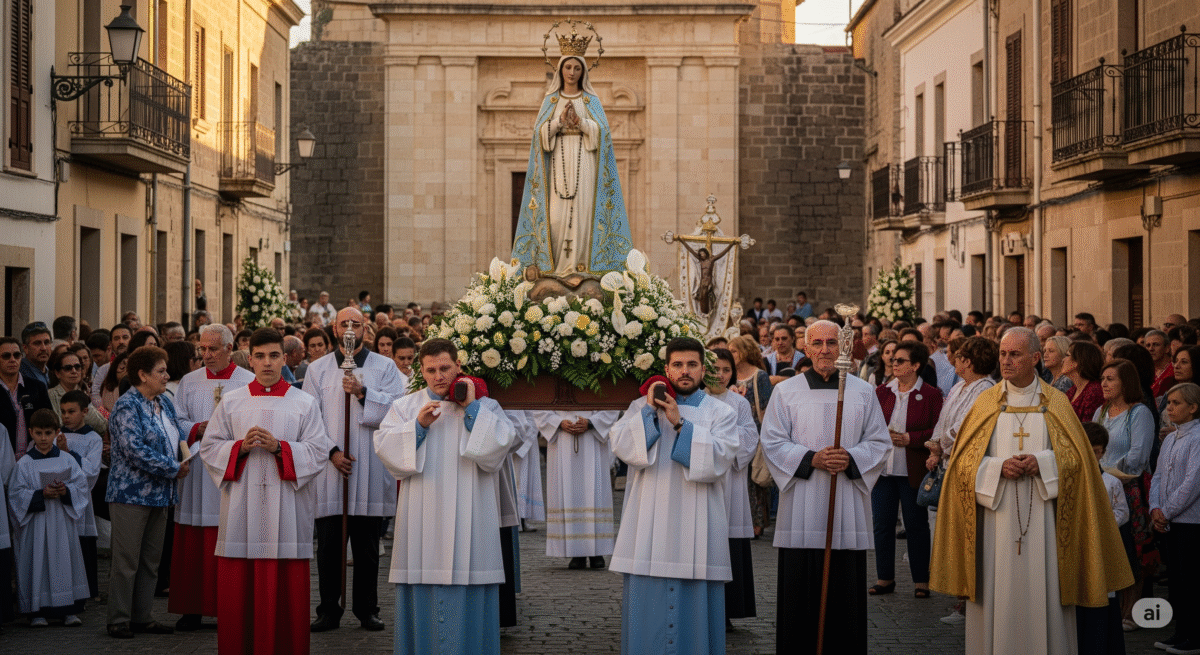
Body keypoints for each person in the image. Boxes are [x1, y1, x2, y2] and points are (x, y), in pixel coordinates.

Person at [930, 328, 1133, 655]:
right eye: (1002, 354)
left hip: (1046, 523)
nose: (1006, 361)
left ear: (1036, 358)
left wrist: (1043, 464)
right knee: (998, 594)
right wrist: (996, 468)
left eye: (1015, 354)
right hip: (996, 521)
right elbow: (964, 465)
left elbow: (1078, 462)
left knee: (1045, 595)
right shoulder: (986, 402)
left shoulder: (1056, 402)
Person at [373, 338, 515, 655]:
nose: (439, 376)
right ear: (420, 371)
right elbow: (384, 447)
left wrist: (473, 410)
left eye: (445, 368)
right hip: (423, 524)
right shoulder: (406, 407)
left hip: (472, 520)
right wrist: (418, 427)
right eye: (431, 369)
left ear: (458, 366)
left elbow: (500, 447)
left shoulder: (486, 406)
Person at [758, 320, 890, 654]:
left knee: (844, 595)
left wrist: (850, 458)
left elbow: (878, 441)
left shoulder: (862, 392)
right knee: (799, 594)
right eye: (817, 343)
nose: (824, 350)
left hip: (845, 505)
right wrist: (810, 459)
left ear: (844, 347)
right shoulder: (786, 391)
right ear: (805, 347)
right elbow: (771, 441)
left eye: (832, 342)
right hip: (801, 506)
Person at [199, 328, 332, 655]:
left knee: (284, 595)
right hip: (241, 509)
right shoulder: (232, 401)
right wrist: (239, 449)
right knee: (238, 594)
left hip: (287, 512)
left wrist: (280, 448)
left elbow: (318, 451)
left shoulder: (304, 402)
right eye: (259, 356)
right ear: (249, 357)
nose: (267, 362)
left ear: (285, 359)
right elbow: (209, 447)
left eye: (274, 355)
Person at [608, 337, 738, 655]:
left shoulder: (720, 411)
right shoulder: (642, 407)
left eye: (692, 364)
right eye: (677, 364)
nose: (684, 371)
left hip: (699, 530)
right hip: (648, 528)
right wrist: (651, 414)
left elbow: (720, 460)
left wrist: (680, 424)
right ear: (666, 368)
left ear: (702, 368)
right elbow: (622, 446)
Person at [305, 308, 405, 632]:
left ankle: (367, 609)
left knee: (367, 549)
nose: (350, 328)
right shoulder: (317, 369)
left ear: (367, 330)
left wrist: (363, 393)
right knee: (330, 547)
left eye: (356, 324)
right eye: (343, 323)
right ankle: (328, 610)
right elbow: (309, 417)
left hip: (370, 467)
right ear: (333, 328)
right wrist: (331, 452)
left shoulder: (385, 367)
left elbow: (397, 410)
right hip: (331, 469)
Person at [511, 40, 632, 276]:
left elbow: (602, 134)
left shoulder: (590, 101)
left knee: (585, 213)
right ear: (560, 70)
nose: (572, 73)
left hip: (584, 163)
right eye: (568, 68)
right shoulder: (551, 101)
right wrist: (557, 123)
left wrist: (581, 123)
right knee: (555, 218)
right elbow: (539, 135)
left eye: (577, 68)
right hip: (557, 165)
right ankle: (556, 269)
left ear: (583, 71)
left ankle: (582, 267)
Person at [169, 324, 256, 631]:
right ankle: (191, 608)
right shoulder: (189, 382)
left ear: (229, 349)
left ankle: (229, 607)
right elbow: (175, 421)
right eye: (202, 349)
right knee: (194, 539)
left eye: (213, 349)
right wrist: (196, 428)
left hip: (232, 469)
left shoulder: (247, 382)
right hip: (196, 471)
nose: (206, 355)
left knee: (229, 536)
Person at [105, 345, 189, 639]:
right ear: (142, 375)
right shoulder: (127, 406)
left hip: (160, 493)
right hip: (131, 494)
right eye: (161, 371)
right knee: (126, 560)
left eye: (166, 370)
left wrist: (188, 452)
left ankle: (142, 616)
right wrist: (172, 467)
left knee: (150, 561)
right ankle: (118, 618)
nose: (167, 375)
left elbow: (176, 433)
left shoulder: (164, 402)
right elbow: (133, 450)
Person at [871, 341, 942, 599]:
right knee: (882, 524)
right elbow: (869, 424)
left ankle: (921, 580)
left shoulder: (932, 395)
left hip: (913, 469)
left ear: (915, 365)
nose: (894, 363)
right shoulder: (882, 391)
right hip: (884, 470)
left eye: (901, 360)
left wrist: (910, 439)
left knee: (916, 526)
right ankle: (884, 578)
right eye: (893, 359)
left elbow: (937, 430)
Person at [9, 408, 90, 627]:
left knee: (65, 559)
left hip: (62, 522)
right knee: (38, 562)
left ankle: (69, 611)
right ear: (30, 433)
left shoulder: (67, 460)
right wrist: (39, 494)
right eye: (38, 433)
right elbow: (15, 495)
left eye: (48, 433)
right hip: (36, 524)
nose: (43, 439)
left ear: (57, 432)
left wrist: (66, 491)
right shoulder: (24, 464)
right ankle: (38, 612)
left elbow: (81, 486)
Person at [1094, 358, 1158, 632]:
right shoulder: (1100, 411)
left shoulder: (1138, 413)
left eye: (1111, 379)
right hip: (1101, 487)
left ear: (1126, 383)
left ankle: (1133, 612)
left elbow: (1138, 456)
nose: (1105, 384)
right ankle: (1111, 608)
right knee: (1108, 547)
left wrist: (1107, 471)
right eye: (1103, 378)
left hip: (1129, 489)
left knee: (1133, 550)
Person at [533, 408, 620, 569]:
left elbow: (610, 405)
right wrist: (558, 422)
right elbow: (540, 406)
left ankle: (597, 552)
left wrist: (591, 423)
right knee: (569, 494)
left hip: (592, 438)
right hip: (562, 439)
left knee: (596, 493)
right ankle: (576, 552)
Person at [709, 348, 759, 626]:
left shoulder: (738, 403)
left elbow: (750, 436)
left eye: (726, 370)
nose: (720, 374)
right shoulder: (696, 400)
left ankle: (728, 610)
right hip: (703, 479)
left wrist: (721, 441)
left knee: (729, 542)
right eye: (714, 368)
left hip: (731, 480)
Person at [1150, 383, 1200, 654]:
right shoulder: (1171, 437)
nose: (1169, 408)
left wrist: (1166, 511)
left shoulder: (1197, 438)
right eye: (1168, 402)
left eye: (1176, 403)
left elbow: (1193, 483)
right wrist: (1155, 508)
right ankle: (1181, 632)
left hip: (1191, 522)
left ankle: (1194, 636)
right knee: (1178, 583)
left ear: (1193, 408)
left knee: (1191, 580)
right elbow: (1158, 476)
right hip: (1169, 520)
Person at [1078, 421, 1130, 655]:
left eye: (1097, 451)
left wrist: (1103, 524)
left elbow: (1122, 512)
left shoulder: (1112, 482)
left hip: (1103, 546)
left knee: (1104, 597)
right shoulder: (1073, 481)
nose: (1092, 455)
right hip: (1079, 549)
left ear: (1103, 452)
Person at [59, 390, 104, 600]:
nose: (66, 416)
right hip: (58, 499)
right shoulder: (54, 435)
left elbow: (92, 471)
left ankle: (87, 591)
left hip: (81, 500)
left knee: (83, 544)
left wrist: (69, 453)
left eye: (71, 411)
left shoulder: (93, 438)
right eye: (63, 412)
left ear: (85, 411)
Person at [728, 334, 773, 536]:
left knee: (755, 479)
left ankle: (757, 521)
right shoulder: (730, 376)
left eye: (734, 351)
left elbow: (766, 406)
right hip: (733, 429)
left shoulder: (759, 376)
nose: (731, 355)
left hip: (756, 430)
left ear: (745, 352)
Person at [0, 336, 53, 460]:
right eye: (6, 356)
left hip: (33, 457)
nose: (12, 360)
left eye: (17, 355)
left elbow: (48, 420)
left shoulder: (37, 387)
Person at [46, 351, 107, 437]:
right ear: (58, 373)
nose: (74, 371)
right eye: (68, 368)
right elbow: (58, 426)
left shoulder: (83, 394)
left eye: (77, 367)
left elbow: (102, 426)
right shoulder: (50, 395)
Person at [1063, 340, 1106, 422]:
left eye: (1067, 355)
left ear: (1077, 362)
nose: (1063, 360)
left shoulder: (1094, 392)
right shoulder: (1073, 390)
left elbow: (1089, 428)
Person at [20, 321, 53, 388]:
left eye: (46, 342)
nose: (43, 348)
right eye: (37, 343)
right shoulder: (20, 375)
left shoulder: (52, 374)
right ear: (25, 348)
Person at [1146, 330, 1177, 399]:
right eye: (1148, 345)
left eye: (1156, 344)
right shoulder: (1145, 371)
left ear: (1167, 348)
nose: (1151, 349)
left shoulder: (1176, 369)